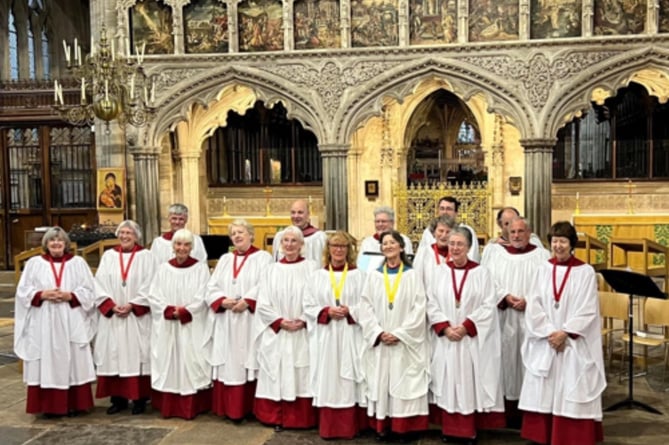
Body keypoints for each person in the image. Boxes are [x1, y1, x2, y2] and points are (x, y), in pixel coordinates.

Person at [519, 221, 606, 445]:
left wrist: (565, 332)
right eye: (555, 241)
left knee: (572, 385)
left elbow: (588, 309)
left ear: (572, 244)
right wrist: (550, 332)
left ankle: (570, 436)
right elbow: (534, 304)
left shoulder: (585, 272)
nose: (558, 246)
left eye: (563, 241)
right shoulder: (542, 269)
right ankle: (541, 435)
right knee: (544, 387)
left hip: (572, 342)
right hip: (547, 341)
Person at [426, 226, 505, 444]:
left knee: (469, 382)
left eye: (460, 244)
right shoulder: (439, 272)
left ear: (469, 247)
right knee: (448, 381)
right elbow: (431, 302)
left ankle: (468, 430)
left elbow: (489, 305)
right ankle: (449, 429)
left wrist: (467, 326)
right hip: (447, 339)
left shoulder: (482, 273)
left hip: (470, 339)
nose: (455, 248)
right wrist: (445, 326)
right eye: (452, 244)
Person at [14, 227, 96, 417]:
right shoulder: (34, 263)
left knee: (74, 358)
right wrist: (41, 294)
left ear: (66, 244)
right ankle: (49, 406)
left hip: (70, 317)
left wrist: (71, 295)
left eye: (60, 240)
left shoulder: (78, 263)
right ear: (46, 244)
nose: (56, 244)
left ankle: (76, 404)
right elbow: (22, 291)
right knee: (46, 359)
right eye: (52, 240)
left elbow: (90, 290)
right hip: (44, 320)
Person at [356, 230, 429, 440]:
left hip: (404, 341)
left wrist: (400, 333)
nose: (388, 246)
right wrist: (378, 332)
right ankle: (384, 425)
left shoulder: (412, 275)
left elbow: (419, 307)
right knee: (382, 382)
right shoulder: (374, 276)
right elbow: (365, 305)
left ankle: (404, 427)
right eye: (384, 243)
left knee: (405, 382)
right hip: (381, 340)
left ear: (401, 247)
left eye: (392, 243)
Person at [480, 217, 550, 427]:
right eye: (513, 232)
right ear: (507, 234)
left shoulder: (542, 256)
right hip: (504, 318)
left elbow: (546, 286)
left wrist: (529, 300)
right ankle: (506, 412)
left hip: (532, 319)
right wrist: (505, 297)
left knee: (529, 362)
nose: (517, 236)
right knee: (505, 362)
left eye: (521, 232)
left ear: (529, 233)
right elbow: (487, 281)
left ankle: (529, 413)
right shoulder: (496, 255)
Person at [204, 219, 273, 422]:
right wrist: (221, 300)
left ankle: (248, 408)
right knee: (229, 362)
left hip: (248, 319)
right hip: (227, 319)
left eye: (241, 232)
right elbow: (211, 286)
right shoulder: (225, 259)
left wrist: (248, 300)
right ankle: (229, 408)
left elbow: (266, 283)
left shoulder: (263, 258)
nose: (237, 236)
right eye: (233, 233)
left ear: (251, 234)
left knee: (247, 360)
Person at [254, 225, 320, 431]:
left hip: (302, 331)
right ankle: (277, 417)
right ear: (280, 244)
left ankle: (302, 418)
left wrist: (303, 319)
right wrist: (279, 321)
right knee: (277, 370)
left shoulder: (312, 268)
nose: (289, 245)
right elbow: (263, 302)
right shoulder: (270, 270)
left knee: (303, 372)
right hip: (279, 331)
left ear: (302, 245)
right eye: (286, 241)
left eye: (294, 241)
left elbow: (319, 297)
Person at [304, 231, 367, 439]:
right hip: (326, 336)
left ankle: (351, 426)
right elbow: (308, 305)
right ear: (327, 249)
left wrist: (351, 311)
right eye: (334, 246)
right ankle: (330, 427)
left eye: (343, 246)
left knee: (349, 378)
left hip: (351, 334)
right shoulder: (317, 276)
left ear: (349, 250)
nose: (338, 250)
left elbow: (367, 305)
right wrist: (326, 312)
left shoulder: (359, 276)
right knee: (329, 377)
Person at [94, 220, 158, 415]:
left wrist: (133, 304)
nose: (124, 236)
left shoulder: (147, 257)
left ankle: (139, 399)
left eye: (129, 233)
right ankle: (118, 399)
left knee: (137, 355)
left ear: (136, 236)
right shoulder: (108, 256)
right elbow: (99, 283)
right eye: (121, 232)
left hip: (136, 317)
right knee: (114, 355)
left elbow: (152, 284)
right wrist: (110, 305)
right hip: (114, 316)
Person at [148, 229, 212, 419]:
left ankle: (191, 406)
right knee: (170, 360)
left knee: (190, 360)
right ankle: (170, 406)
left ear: (191, 247)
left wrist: (185, 311)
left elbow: (203, 295)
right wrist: (168, 310)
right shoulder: (163, 269)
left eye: (186, 245)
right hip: (169, 325)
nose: (181, 248)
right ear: (172, 247)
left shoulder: (200, 269)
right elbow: (154, 294)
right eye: (178, 244)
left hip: (191, 324)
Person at [417, 196, 480, 262]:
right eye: (442, 208)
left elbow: (472, 257)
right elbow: (422, 256)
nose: (445, 212)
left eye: (449, 209)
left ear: (456, 213)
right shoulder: (428, 231)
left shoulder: (466, 231)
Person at [357, 206, 414, 272]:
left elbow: (408, 263)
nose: (380, 224)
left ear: (392, 223)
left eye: (383, 221)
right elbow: (361, 268)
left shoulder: (404, 240)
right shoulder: (367, 243)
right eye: (377, 221)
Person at [271, 199, 326, 264]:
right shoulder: (280, 236)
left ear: (308, 214)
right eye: (293, 212)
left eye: (300, 212)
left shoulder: (319, 238)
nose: (296, 216)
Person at [412, 215, 456, 288]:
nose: (444, 235)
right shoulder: (424, 253)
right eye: (441, 231)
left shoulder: (457, 254)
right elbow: (417, 281)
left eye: (448, 232)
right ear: (433, 232)